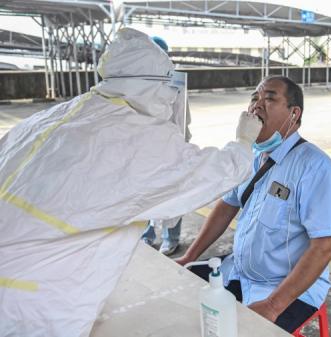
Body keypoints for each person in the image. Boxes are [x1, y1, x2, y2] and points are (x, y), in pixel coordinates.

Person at [0, 28, 263, 336]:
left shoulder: (60, 115)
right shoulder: (136, 136)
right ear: (152, 85)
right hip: (36, 301)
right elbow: (212, 173)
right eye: (168, 85)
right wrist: (244, 143)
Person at [175, 75, 331, 333]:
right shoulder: (251, 156)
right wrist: (190, 255)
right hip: (237, 272)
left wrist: (274, 305)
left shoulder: (316, 167)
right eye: (254, 98)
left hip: (283, 289)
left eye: (269, 98)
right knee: (179, 297)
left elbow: (324, 248)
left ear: (293, 113)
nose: (257, 105)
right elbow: (226, 206)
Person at [140, 36, 183, 255]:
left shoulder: (176, 79)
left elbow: (183, 117)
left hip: (170, 146)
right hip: (145, 148)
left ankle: (171, 237)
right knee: (144, 193)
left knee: (173, 194)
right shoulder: (139, 79)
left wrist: (179, 144)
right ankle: (146, 234)